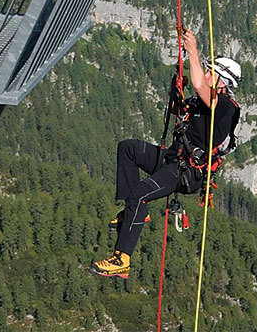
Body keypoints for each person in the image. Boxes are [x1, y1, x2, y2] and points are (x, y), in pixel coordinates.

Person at [92, 30, 242, 278]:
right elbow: (181, 107)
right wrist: (177, 93)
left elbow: (198, 84)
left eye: (210, 73)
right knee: (128, 149)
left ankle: (122, 259)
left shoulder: (225, 107)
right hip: (174, 158)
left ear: (222, 81)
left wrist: (192, 50)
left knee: (140, 194)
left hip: (186, 171)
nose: (205, 76)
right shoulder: (203, 103)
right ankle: (137, 213)